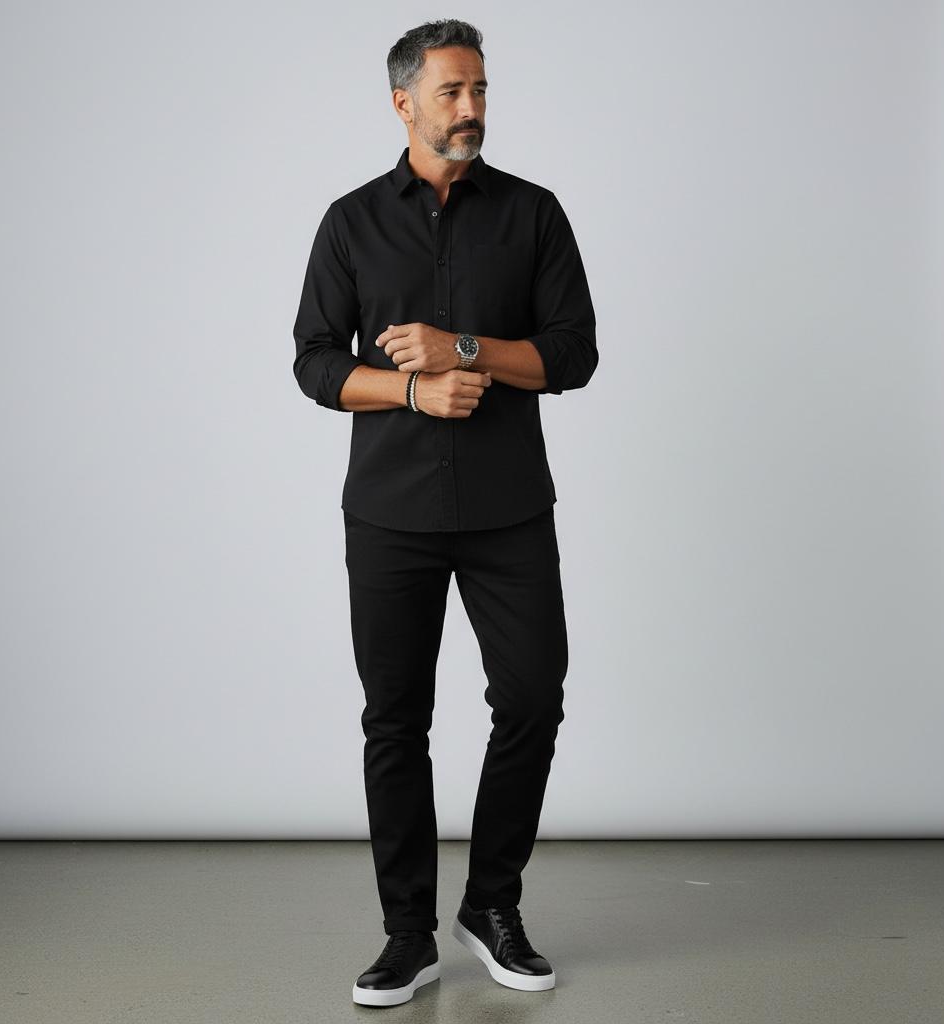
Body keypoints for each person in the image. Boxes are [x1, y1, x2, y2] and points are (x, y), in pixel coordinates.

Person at [292, 18, 598, 1007]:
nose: (471, 108)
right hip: (390, 511)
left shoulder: (533, 214)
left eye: (480, 89)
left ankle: (492, 903)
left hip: (509, 506)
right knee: (395, 718)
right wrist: (412, 391)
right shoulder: (349, 222)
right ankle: (407, 934)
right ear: (404, 103)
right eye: (452, 91)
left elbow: (573, 354)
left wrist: (461, 349)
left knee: (533, 696)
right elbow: (314, 363)